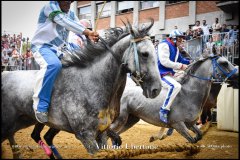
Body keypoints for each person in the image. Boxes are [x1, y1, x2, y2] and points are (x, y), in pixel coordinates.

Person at [31, 1, 99, 123]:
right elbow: (64, 22)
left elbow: (77, 27)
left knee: (83, 63)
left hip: (61, 49)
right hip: (42, 47)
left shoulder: (71, 14)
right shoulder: (50, 7)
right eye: (66, 1)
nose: (69, 3)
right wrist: (87, 32)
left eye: (71, 1)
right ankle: (41, 106)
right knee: (53, 65)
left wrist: (91, 36)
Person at [156, 31, 191, 123]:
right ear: (174, 38)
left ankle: (176, 113)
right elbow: (164, 62)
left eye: (182, 38)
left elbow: (180, 59)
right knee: (175, 86)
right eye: (180, 38)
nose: (182, 40)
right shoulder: (164, 45)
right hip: (160, 73)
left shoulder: (176, 48)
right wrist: (181, 66)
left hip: (169, 74)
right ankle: (164, 110)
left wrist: (191, 62)